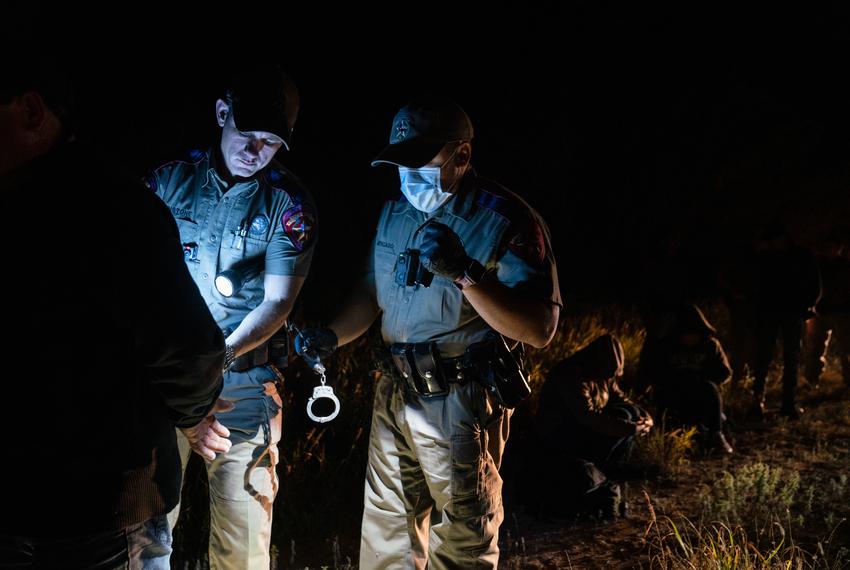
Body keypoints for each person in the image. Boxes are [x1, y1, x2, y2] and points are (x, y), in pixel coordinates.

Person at [295, 95, 561, 569]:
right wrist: (332, 337)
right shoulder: (395, 211)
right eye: (401, 165)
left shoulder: (506, 220)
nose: (410, 178)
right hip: (394, 394)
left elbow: (539, 328)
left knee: (463, 536)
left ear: (462, 155)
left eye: (423, 164)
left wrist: (464, 273)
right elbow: (370, 291)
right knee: (387, 533)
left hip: (459, 401)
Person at [0, 61, 226, 568]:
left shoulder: (111, 208)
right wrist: (191, 416)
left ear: (31, 111)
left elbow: (187, 349)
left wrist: (191, 414)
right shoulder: (118, 201)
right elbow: (190, 352)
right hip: (68, 507)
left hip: (99, 515)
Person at [146, 65, 316, 569]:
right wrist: (181, 372)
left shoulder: (289, 204)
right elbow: (133, 280)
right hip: (162, 381)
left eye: (270, 141)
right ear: (222, 114)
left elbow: (277, 302)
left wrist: (219, 358)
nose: (254, 151)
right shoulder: (167, 181)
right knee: (147, 532)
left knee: (242, 541)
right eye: (247, 134)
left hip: (240, 381)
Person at [537, 334, 653, 472]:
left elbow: (620, 398)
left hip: (586, 427)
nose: (610, 378)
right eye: (609, 373)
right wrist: (631, 428)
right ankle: (599, 466)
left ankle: (614, 465)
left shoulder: (604, 375)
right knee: (625, 417)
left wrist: (646, 418)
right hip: (563, 433)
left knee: (631, 413)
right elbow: (588, 416)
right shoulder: (570, 374)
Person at [639, 305, 733, 453]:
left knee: (710, 389)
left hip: (701, 394)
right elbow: (652, 372)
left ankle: (716, 435)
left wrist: (702, 379)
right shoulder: (666, 346)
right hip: (673, 394)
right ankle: (666, 438)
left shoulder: (710, 345)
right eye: (686, 334)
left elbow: (725, 372)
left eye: (694, 334)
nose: (690, 338)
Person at [750, 223, 821, 420]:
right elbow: (755, 285)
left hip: (790, 313)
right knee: (765, 357)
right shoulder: (766, 257)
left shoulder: (800, 255)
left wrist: (806, 305)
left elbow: (815, 284)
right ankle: (758, 401)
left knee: (790, 359)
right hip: (771, 313)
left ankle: (788, 403)